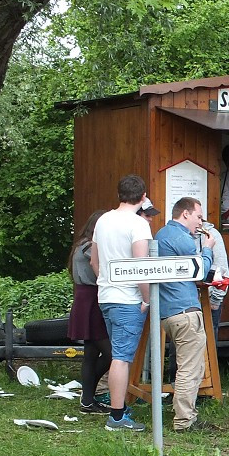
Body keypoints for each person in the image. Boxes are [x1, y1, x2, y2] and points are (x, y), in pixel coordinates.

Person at [92, 174, 153, 432]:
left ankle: (119, 406)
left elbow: (94, 261)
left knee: (119, 352)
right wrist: (147, 299)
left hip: (106, 295)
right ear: (142, 197)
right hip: (128, 298)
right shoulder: (138, 224)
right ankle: (117, 416)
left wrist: (107, 282)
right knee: (122, 356)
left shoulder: (103, 220)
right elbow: (140, 266)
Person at [154, 197, 215, 433]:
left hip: (167, 311)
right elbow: (199, 271)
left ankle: (181, 413)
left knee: (185, 366)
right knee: (190, 368)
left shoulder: (161, 235)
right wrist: (208, 248)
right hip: (185, 310)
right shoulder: (182, 238)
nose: (200, 222)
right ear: (186, 214)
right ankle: (184, 421)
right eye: (199, 217)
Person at [68, 210, 113, 415]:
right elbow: (105, 265)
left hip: (85, 298)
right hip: (92, 299)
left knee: (91, 353)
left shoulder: (81, 244)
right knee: (111, 354)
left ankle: (87, 400)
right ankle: (87, 396)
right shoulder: (88, 247)